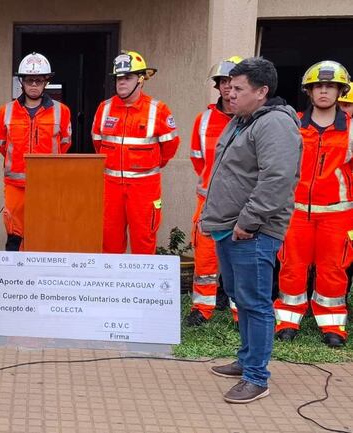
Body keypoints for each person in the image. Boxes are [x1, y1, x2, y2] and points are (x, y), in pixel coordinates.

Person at [202, 57, 301, 404]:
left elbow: (277, 179)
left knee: (256, 304)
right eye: (229, 86)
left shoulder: (274, 125)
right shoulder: (243, 120)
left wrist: (248, 221)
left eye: (238, 88)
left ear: (261, 92)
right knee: (240, 297)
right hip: (231, 229)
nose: (230, 93)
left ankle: (257, 377)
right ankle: (246, 361)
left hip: (252, 231)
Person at [273, 61, 353, 348]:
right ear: (308, 91)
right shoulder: (293, 124)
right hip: (295, 212)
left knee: (333, 269)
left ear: (340, 91)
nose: (323, 91)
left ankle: (332, 325)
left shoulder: (351, 129)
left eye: (330, 86)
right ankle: (287, 320)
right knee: (291, 266)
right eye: (318, 86)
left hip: (338, 213)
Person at [91, 50, 179, 254]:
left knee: (144, 241)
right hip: (110, 188)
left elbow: (170, 147)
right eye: (118, 78)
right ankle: (112, 285)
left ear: (141, 79)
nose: (121, 82)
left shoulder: (158, 110)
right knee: (109, 242)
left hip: (144, 189)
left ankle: (144, 285)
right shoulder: (104, 108)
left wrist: (147, 166)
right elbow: (98, 144)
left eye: (127, 78)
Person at [185, 56, 242, 327]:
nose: (229, 89)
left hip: (243, 204)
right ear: (218, 87)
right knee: (205, 257)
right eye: (224, 83)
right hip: (208, 201)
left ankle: (240, 311)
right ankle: (202, 307)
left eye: (234, 83)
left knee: (241, 259)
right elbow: (198, 159)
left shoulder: (254, 119)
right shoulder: (204, 119)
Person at [0, 52, 72, 251]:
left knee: (45, 231)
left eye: (39, 80)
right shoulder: (7, 110)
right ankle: (15, 278)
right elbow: (2, 144)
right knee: (14, 234)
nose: (34, 85)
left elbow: (64, 144)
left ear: (46, 82)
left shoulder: (61, 111)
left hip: (47, 183)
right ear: (22, 82)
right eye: (30, 80)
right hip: (15, 184)